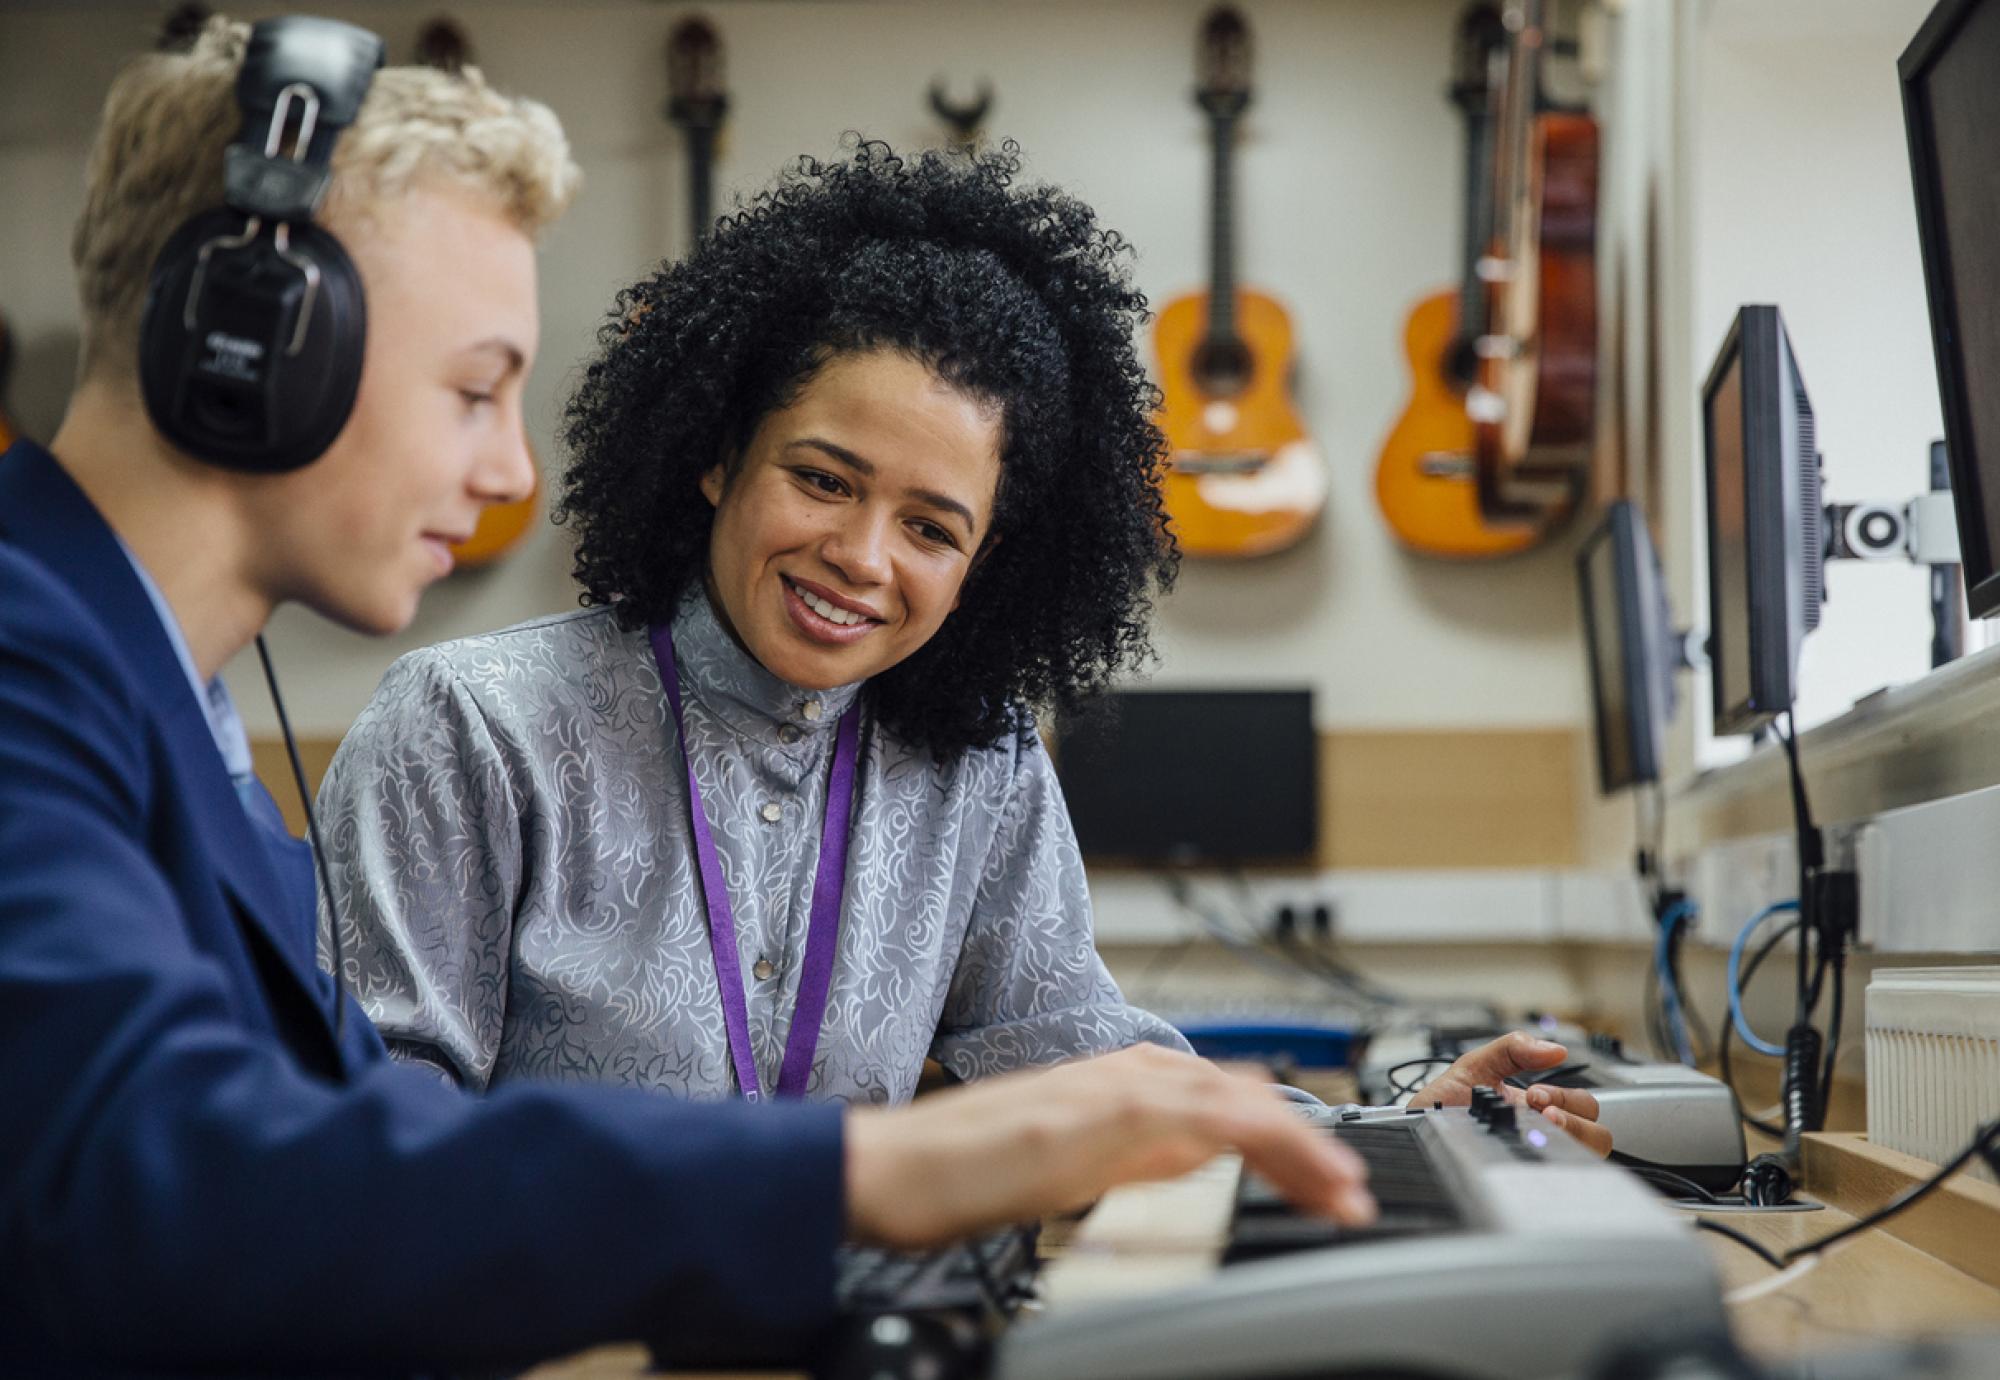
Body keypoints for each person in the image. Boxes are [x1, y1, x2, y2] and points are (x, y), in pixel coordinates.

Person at [0, 16, 1392, 1377]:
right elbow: (189, 1180)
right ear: (253, 351)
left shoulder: (156, 710)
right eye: (477, 390)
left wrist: (1388, 1130)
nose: (506, 476)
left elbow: (296, 1172)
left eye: (933, 526)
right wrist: (861, 1167)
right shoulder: (33, 672)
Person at [315, 137, 1195, 1103]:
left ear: (980, 564)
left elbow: (1074, 1049)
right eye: (822, 481)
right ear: (719, 457)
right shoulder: (471, 725)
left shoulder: (983, 763)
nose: (862, 557)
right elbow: (379, 1114)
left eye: (931, 529)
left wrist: (1354, 1131)